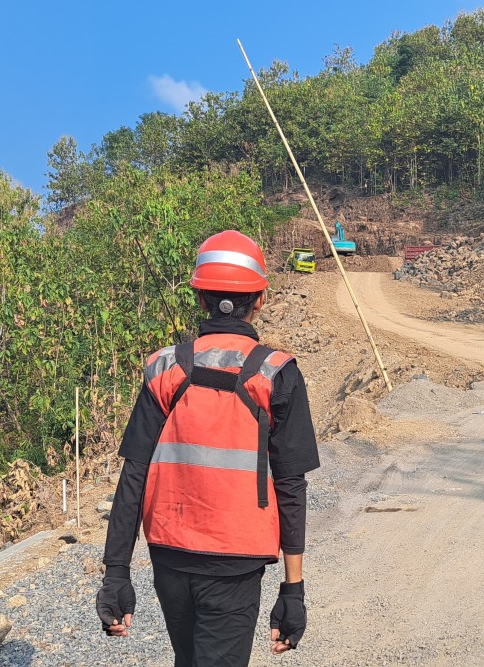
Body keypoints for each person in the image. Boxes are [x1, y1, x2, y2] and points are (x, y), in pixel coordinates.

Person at [96, 229, 320, 667]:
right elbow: (291, 487)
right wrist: (293, 589)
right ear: (260, 300)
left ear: (199, 299)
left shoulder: (164, 367)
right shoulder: (277, 374)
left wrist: (117, 572)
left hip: (169, 551)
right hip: (237, 560)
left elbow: (134, 474)